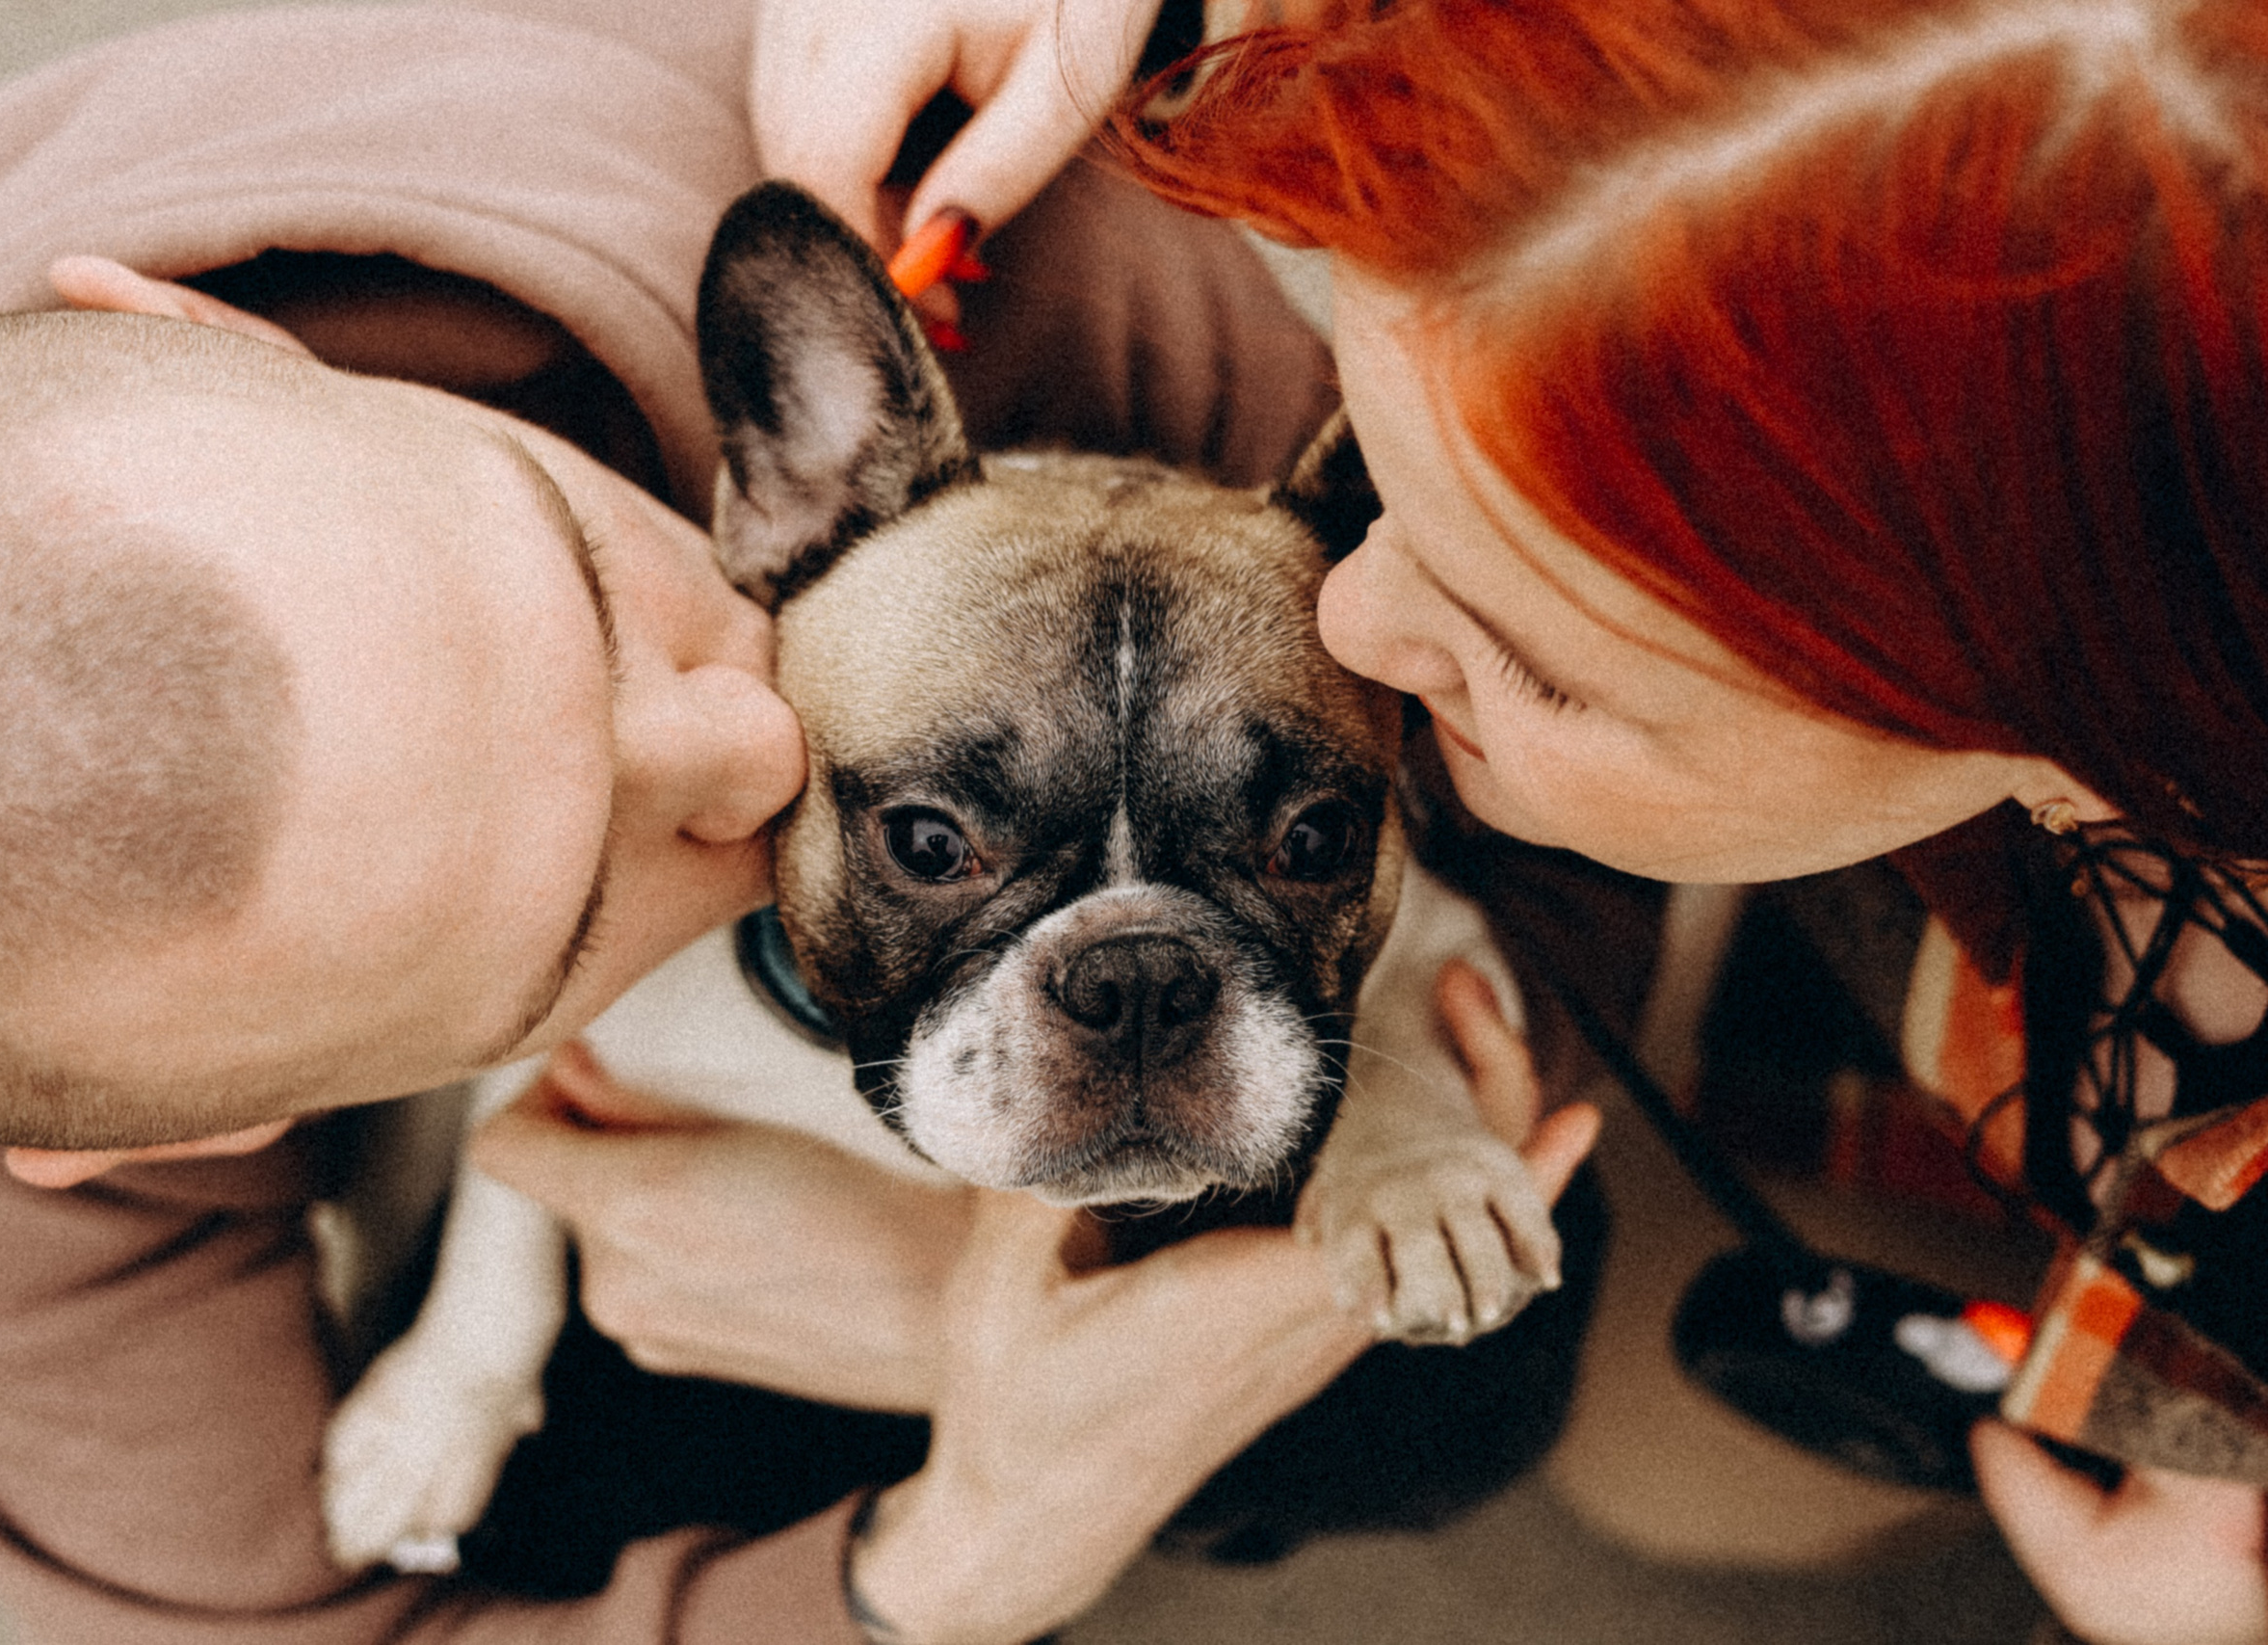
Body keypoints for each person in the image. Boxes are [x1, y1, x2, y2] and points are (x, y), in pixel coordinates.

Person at [0, 4, 1607, 1643]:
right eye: (575, 902)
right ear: (199, 1114)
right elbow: (285, 1626)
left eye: (596, 596)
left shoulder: (1100, 297)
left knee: (1490, 1403)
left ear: (209, 337)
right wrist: (955, 1554)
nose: (756, 748)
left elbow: (1605, 755)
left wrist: (959, 1316)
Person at [750, 0, 2268, 1642]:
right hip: (1884, 1075)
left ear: (2035, 718)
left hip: (2132, 1255)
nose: (1352, 628)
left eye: (1529, 652)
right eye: (1393, 496)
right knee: (1652, 1452)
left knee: (1597, 1455)